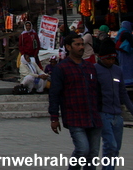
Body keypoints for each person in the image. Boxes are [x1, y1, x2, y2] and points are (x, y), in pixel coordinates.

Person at [49, 34, 102, 170]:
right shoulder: (62, 68)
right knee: (82, 150)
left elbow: (97, 91)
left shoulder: (90, 67)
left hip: (93, 117)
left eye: (82, 44)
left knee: (93, 154)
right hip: (74, 116)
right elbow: (54, 94)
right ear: (68, 47)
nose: (81, 47)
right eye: (77, 45)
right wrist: (54, 117)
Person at [95, 39, 133, 170]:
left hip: (118, 115)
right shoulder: (95, 70)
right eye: (108, 59)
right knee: (110, 145)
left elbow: (123, 93)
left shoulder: (117, 71)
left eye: (113, 59)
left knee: (116, 148)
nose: (111, 61)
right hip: (103, 114)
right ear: (102, 58)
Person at [115, 21, 133, 86]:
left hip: (121, 54)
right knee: (128, 68)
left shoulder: (120, 32)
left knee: (123, 67)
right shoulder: (126, 33)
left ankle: (124, 81)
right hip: (127, 53)